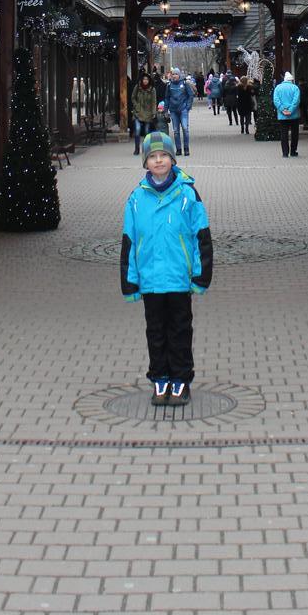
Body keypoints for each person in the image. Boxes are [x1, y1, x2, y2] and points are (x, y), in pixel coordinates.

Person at [120, 130, 213, 406]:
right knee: (156, 332)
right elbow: (129, 240)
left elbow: (201, 237)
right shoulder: (136, 198)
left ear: (173, 159)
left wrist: (201, 275)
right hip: (150, 280)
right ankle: (160, 379)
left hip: (178, 279)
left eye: (164, 155)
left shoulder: (188, 194)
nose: (159, 161)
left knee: (180, 331)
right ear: (145, 162)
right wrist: (130, 281)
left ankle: (181, 380)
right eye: (153, 157)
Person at [163, 66, 193, 157]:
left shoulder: (184, 84)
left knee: (185, 129)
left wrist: (188, 107)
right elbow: (167, 98)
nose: (174, 76)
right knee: (176, 131)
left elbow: (190, 95)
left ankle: (186, 148)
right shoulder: (169, 85)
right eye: (173, 74)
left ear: (179, 75)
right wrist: (165, 110)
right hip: (173, 111)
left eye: (176, 74)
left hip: (183, 110)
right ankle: (178, 149)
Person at [273, 70, 301, 157]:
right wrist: (291, 110)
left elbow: (276, 100)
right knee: (294, 134)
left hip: (282, 116)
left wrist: (282, 109)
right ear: (291, 80)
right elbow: (296, 101)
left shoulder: (278, 88)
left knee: (284, 134)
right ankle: (293, 151)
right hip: (294, 115)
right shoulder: (295, 88)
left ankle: (285, 153)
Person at [130, 71, 158, 155]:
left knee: (146, 132)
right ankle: (137, 149)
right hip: (138, 113)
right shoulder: (137, 87)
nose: (145, 81)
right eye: (144, 79)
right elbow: (133, 98)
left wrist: (153, 112)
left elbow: (154, 102)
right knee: (137, 130)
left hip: (148, 113)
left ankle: (146, 149)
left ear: (149, 80)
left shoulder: (152, 89)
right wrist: (136, 106)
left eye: (147, 79)